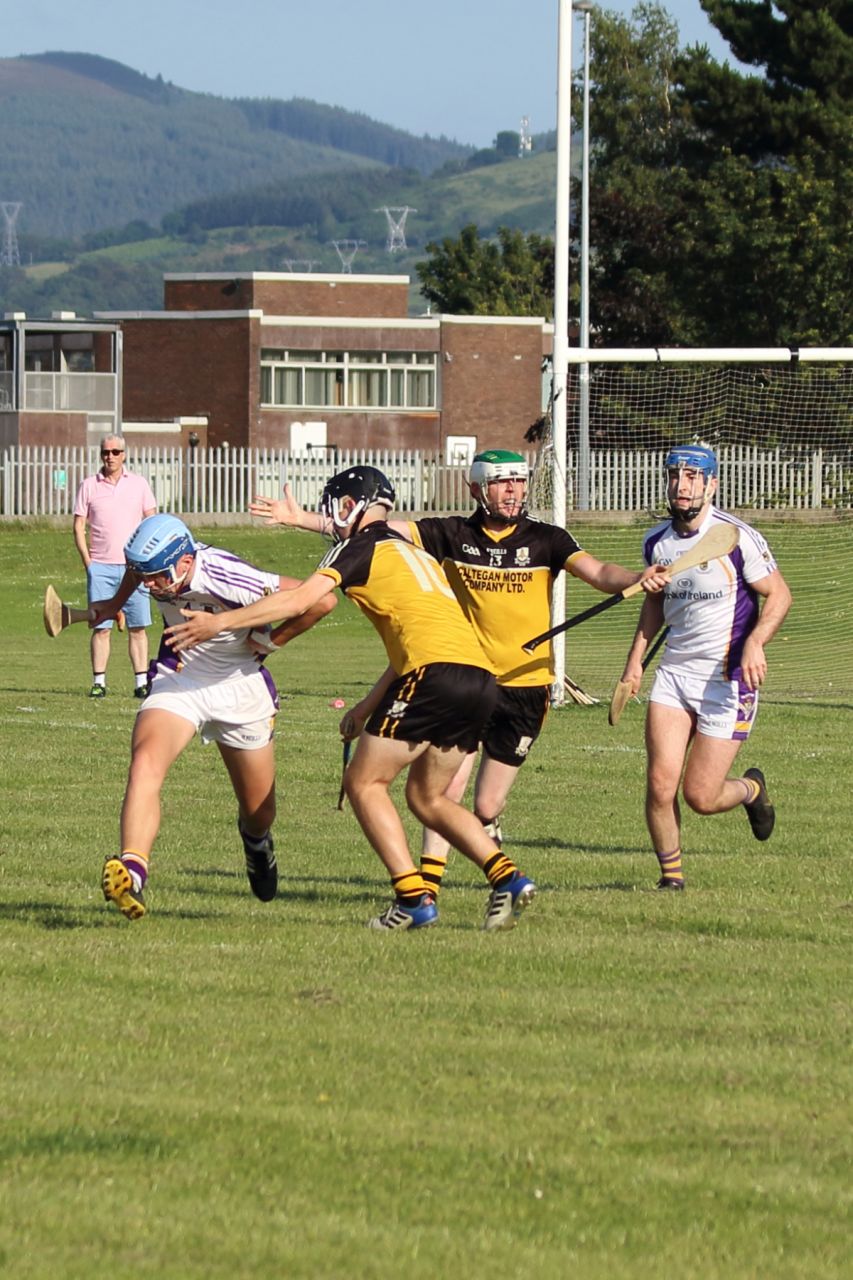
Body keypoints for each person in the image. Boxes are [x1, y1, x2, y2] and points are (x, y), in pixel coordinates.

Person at [248, 449, 667, 899]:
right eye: (503, 483)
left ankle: (476, 867)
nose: (514, 491)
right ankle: (427, 886)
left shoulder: (547, 538)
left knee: (485, 803)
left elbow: (599, 571)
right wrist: (304, 519)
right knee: (442, 790)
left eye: (519, 482)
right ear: (478, 488)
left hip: (526, 686)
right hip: (466, 675)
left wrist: (635, 578)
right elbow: (374, 529)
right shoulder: (450, 534)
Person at [166, 465, 538, 933]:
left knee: (364, 784)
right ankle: (508, 878)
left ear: (347, 507)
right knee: (427, 798)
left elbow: (301, 600)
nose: (331, 522)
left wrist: (220, 623)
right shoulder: (411, 550)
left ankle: (413, 899)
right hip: (479, 679)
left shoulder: (356, 546)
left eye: (332, 512)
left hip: (434, 675)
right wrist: (365, 708)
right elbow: (418, 641)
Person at [92, 513, 337, 921]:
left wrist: (269, 640)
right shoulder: (154, 571)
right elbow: (137, 574)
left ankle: (256, 843)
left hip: (241, 685)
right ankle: (133, 871)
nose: (150, 585)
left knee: (260, 812)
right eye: (144, 574)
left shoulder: (227, 575)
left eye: (157, 576)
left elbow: (322, 600)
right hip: (180, 678)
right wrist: (114, 605)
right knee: (145, 763)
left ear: (185, 562)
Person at [618, 444, 792, 890]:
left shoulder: (737, 538)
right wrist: (634, 664)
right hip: (675, 675)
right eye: (676, 475)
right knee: (660, 785)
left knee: (701, 796)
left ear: (712, 484)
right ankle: (671, 879)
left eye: (695, 477)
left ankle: (751, 790)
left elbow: (780, 595)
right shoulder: (656, 542)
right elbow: (654, 605)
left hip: (727, 679)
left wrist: (755, 642)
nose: (683, 484)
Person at [73, 434, 157, 699]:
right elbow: (78, 525)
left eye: (115, 452)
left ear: (124, 455)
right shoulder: (88, 485)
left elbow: (151, 521)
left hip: (135, 569)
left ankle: (141, 682)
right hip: (101, 568)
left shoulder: (139, 484)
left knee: (138, 627)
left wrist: (147, 559)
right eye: (105, 452)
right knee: (101, 627)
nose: (110, 456)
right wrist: (89, 563)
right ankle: (99, 682)